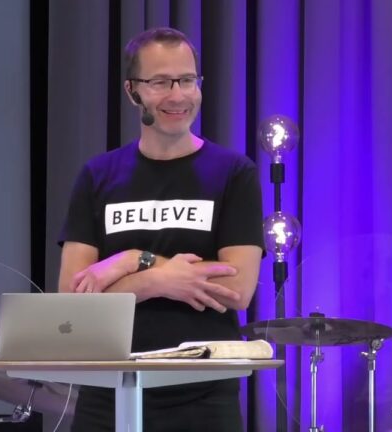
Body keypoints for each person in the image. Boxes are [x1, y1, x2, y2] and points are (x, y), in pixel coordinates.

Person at [57, 27, 264, 431]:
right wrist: (154, 279)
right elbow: (73, 297)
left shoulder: (234, 173)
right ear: (132, 91)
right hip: (108, 390)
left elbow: (235, 290)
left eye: (187, 80)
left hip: (203, 395)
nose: (178, 95)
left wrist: (132, 263)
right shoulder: (98, 175)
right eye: (160, 82)